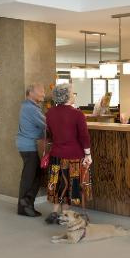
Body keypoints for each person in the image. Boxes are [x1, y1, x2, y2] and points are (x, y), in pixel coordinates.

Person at [45, 83, 92, 223]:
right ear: (67, 96)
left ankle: (54, 212)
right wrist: (88, 155)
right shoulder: (77, 114)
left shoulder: (50, 113)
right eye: (72, 93)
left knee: (57, 182)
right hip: (73, 155)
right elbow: (84, 136)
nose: (74, 95)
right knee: (69, 184)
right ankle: (65, 214)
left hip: (56, 154)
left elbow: (50, 133)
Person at [15, 82, 46, 217]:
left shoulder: (28, 106)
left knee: (34, 176)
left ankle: (26, 205)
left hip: (27, 145)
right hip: (29, 146)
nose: (43, 94)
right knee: (30, 177)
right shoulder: (31, 108)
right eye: (41, 91)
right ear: (31, 93)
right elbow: (46, 124)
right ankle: (24, 206)